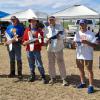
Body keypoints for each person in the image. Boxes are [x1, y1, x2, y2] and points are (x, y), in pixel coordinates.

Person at [73, 19, 97, 93]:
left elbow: (94, 45)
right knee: (81, 69)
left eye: (83, 24)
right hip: (79, 54)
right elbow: (74, 44)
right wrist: (74, 44)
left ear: (86, 24)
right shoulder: (77, 33)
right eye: (80, 24)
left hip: (88, 55)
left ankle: (91, 86)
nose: (82, 25)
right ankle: (83, 83)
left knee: (89, 70)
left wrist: (87, 42)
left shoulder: (91, 34)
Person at [45, 16, 68, 86]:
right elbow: (44, 38)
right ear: (48, 21)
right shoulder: (46, 28)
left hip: (59, 47)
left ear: (54, 20)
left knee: (61, 62)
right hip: (50, 48)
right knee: (50, 63)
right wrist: (46, 40)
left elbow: (65, 35)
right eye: (49, 20)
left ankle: (64, 78)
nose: (51, 21)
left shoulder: (60, 27)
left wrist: (60, 37)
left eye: (52, 20)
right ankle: (52, 78)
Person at [22, 17, 46, 84]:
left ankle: (43, 76)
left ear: (36, 22)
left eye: (34, 21)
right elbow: (24, 40)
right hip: (29, 50)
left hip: (36, 49)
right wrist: (24, 43)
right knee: (31, 63)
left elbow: (42, 42)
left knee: (39, 63)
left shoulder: (39, 31)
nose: (32, 22)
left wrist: (35, 42)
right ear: (29, 22)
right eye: (31, 21)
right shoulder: (27, 30)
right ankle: (32, 75)